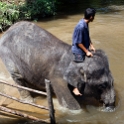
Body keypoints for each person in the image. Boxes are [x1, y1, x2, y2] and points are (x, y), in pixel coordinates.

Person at [72, 8, 96, 96]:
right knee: (79, 69)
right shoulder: (81, 26)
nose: (94, 18)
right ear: (91, 17)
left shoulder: (85, 23)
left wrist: (91, 45)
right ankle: (75, 88)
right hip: (78, 51)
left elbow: (87, 35)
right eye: (94, 17)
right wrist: (86, 52)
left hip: (84, 47)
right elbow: (78, 42)